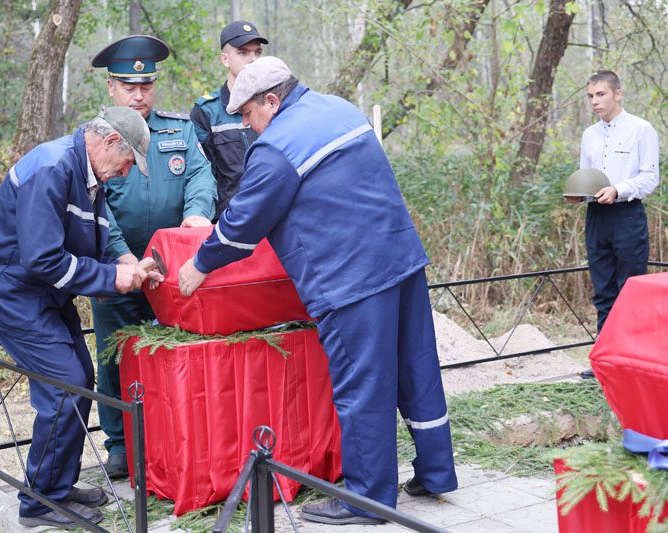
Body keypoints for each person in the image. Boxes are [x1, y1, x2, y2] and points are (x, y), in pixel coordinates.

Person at [178, 57, 458, 525]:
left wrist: (199, 264)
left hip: (349, 280)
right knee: (417, 370)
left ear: (272, 99)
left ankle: (368, 499)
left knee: (361, 386)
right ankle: (434, 472)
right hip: (402, 258)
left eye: (247, 114)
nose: (245, 125)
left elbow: (244, 224)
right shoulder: (341, 109)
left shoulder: (278, 146)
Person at [0, 107, 163, 527]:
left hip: (45, 294)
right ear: (110, 142)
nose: (126, 173)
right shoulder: (52, 167)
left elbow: (98, 233)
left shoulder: (89, 172)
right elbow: (41, 259)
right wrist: (113, 277)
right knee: (65, 385)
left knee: (81, 378)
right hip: (13, 294)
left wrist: (128, 261)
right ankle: (40, 503)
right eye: (128, 162)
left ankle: (57, 481)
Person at [90, 35, 217, 478]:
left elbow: (201, 176)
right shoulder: (98, 140)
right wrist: (125, 258)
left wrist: (198, 215)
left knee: (177, 356)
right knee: (116, 356)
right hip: (119, 273)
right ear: (111, 88)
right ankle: (120, 444)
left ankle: (173, 436)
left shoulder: (179, 130)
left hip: (173, 273)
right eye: (129, 86)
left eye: (146, 85)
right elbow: (96, 209)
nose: (139, 94)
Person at [568, 70, 660, 379]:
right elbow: (586, 177)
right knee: (603, 290)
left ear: (618, 94)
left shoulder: (641, 129)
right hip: (596, 218)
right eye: (590, 96)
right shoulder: (589, 135)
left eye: (601, 94)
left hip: (627, 216)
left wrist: (618, 190)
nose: (594, 101)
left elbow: (650, 177)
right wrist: (578, 196)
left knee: (630, 290)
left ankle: (634, 363)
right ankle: (606, 362)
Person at [190, 21, 267, 219]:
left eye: (257, 53)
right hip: (229, 221)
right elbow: (203, 175)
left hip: (273, 216)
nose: (253, 60)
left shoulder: (273, 105)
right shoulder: (207, 111)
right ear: (225, 59)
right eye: (243, 53)